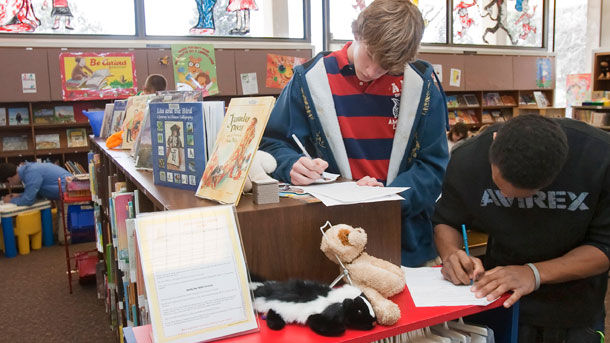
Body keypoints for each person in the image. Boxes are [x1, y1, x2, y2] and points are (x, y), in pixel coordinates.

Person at [260, 0, 449, 267]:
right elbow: (272, 143)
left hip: (403, 237)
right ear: (356, 32)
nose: (372, 71)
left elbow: (433, 166)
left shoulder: (422, 86)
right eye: (370, 55)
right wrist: (289, 164)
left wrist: (387, 196)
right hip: (327, 237)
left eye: (387, 67)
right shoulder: (310, 79)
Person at [433, 115, 610, 342]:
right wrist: (451, 254)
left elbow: (604, 245)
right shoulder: (467, 158)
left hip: (574, 307)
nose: (506, 198)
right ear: (495, 142)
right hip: (498, 297)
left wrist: (534, 273)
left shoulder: (599, 158)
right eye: (500, 187)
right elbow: (447, 219)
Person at [0, 162, 72, 206]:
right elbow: (37, 193)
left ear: (9, 179)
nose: (10, 186)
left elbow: (28, 200)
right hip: (66, 195)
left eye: (8, 184)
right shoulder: (27, 170)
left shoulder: (31, 173)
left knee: (66, 228)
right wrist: (20, 195)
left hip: (70, 196)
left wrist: (10, 201)